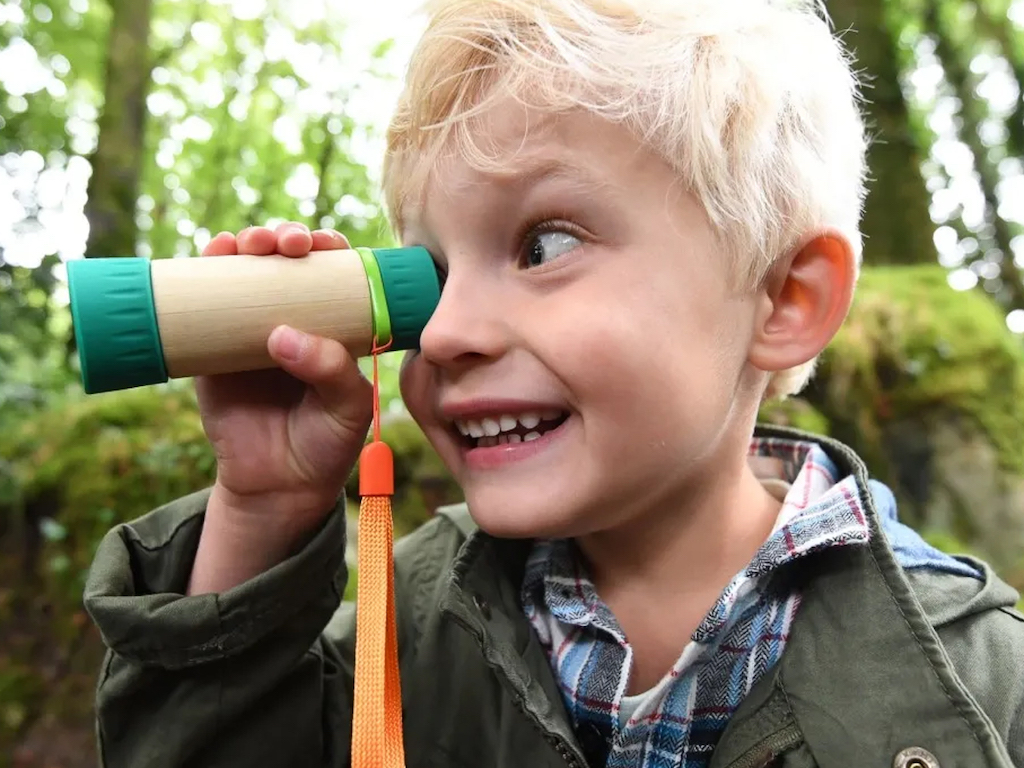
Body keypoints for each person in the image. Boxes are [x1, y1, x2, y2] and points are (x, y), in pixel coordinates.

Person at [83, 0, 1024, 766]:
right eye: (431, 276)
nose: (445, 333)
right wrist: (262, 508)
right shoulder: (401, 628)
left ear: (782, 298)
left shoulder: (981, 684)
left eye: (544, 245)